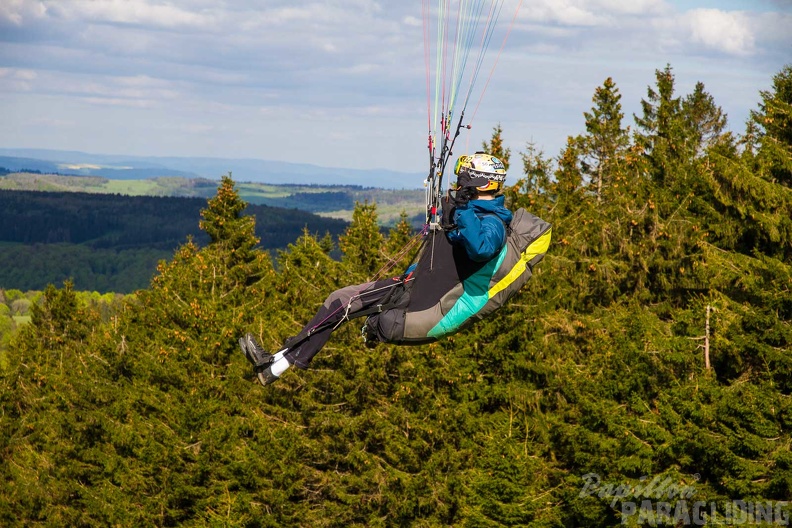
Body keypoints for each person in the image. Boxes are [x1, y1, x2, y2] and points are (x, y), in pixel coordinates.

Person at [239, 152, 514, 386]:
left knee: (342, 303)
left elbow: (481, 248)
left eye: (463, 177)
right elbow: (442, 254)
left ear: (478, 183)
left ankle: (273, 365)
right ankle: (273, 367)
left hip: (425, 300)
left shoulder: (493, 222)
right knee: (340, 300)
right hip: (412, 284)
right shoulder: (468, 212)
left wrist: (464, 209)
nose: (458, 182)